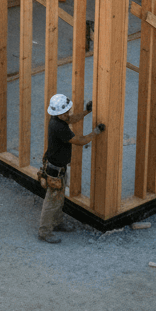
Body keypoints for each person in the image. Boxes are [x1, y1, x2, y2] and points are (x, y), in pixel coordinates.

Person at [37, 93, 104, 243]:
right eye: (65, 112)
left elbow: (71, 119)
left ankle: (57, 223)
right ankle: (44, 231)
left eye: (68, 110)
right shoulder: (58, 126)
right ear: (58, 113)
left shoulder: (58, 118)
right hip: (55, 171)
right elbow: (80, 141)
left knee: (59, 199)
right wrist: (96, 132)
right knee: (51, 201)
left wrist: (87, 112)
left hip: (59, 169)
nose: (68, 114)